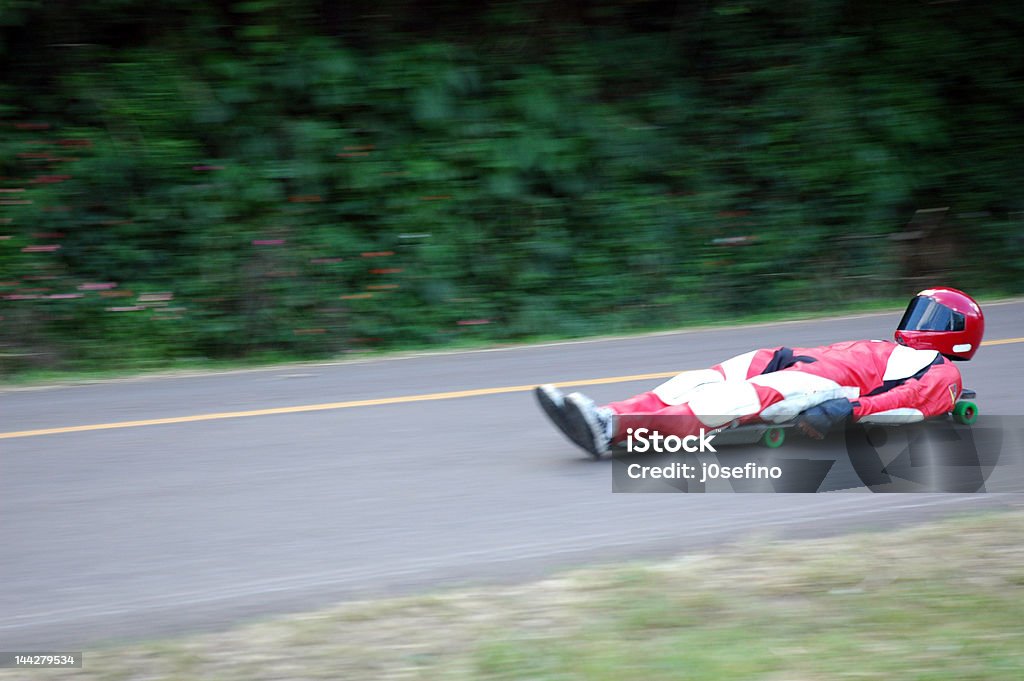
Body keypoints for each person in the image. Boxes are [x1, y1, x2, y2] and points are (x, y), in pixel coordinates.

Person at [536, 287, 985, 458]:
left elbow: (907, 405)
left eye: (936, 319)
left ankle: (611, 429)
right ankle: (605, 415)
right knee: (694, 381)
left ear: (959, 336)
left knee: (719, 404)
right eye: (920, 311)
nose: (922, 324)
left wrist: (849, 409)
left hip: (823, 386)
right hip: (789, 356)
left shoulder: (944, 374)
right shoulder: (889, 346)